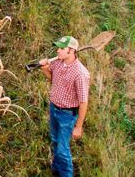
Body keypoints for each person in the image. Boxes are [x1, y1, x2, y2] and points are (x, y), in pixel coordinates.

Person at [40, 35, 90, 177]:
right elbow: (54, 80)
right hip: (54, 108)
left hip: (67, 115)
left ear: (71, 51)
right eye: (58, 48)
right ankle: (56, 169)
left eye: (62, 48)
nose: (58, 51)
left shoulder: (81, 74)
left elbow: (83, 102)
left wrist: (78, 126)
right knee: (55, 140)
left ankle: (66, 174)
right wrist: (45, 69)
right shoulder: (58, 63)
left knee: (63, 149)